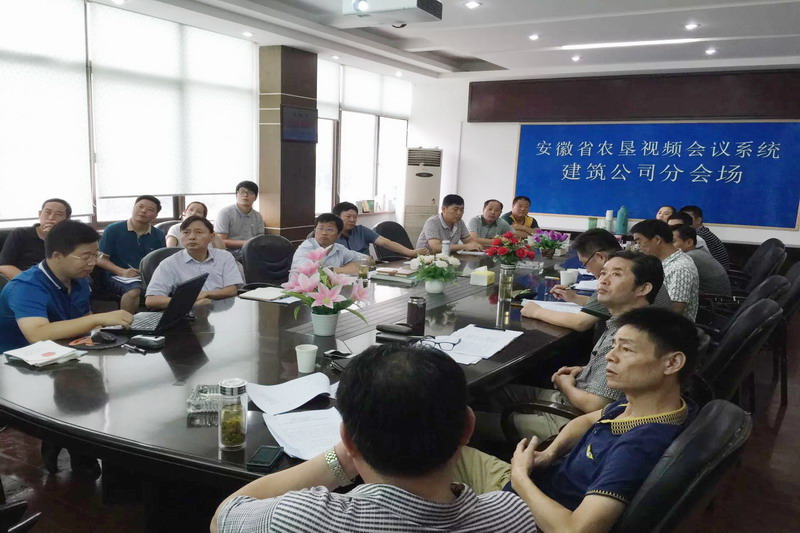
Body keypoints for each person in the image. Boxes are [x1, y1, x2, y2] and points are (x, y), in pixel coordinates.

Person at [211, 343, 536, 533]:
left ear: (348, 440)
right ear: (468, 427)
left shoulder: (303, 519)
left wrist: (344, 455)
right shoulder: (514, 515)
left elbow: (225, 515)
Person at [455, 307, 699, 533]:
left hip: (521, 514)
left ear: (672, 363)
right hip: (536, 487)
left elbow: (575, 530)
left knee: (443, 453)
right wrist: (550, 453)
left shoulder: (636, 447)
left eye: (626, 349)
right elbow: (585, 421)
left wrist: (519, 478)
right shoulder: (649, 405)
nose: (610, 356)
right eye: (613, 346)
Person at [481, 251, 664, 443]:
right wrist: (586, 369)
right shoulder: (625, 321)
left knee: (469, 421)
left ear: (643, 288)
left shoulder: (630, 336)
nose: (603, 280)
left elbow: (597, 405)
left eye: (616, 274)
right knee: (492, 394)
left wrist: (565, 385)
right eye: (603, 273)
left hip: (571, 420)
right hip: (571, 398)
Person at [0, 220, 133, 353]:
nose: (93, 262)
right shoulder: (25, 287)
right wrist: (98, 319)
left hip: (66, 351)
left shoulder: (79, 279)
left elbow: (85, 320)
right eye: (86, 257)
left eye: (96, 255)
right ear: (57, 256)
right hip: (21, 360)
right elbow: (37, 334)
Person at [521, 228, 671, 331]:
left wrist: (536, 311)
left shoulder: (623, 280)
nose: (587, 270)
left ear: (600, 257)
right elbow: (610, 305)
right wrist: (575, 298)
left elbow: (580, 323)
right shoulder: (636, 267)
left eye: (585, 263)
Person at [145, 216, 243, 310]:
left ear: (212, 237)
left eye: (199, 232)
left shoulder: (224, 256)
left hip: (223, 311)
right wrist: (191, 303)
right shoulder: (169, 263)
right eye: (186, 232)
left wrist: (206, 294)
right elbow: (152, 300)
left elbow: (232, 290)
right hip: (188, 314)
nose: (191, 237)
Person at [96, 195, 167, 314]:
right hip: (116, 275)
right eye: (140, 206)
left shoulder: (158, 235)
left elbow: (161, 262)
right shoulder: (113, 230)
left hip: (146, 276)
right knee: (134, 290)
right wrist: (122, 272)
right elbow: (100, 260)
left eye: (150, 209)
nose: (143, 211)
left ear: (155, 215)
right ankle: (125, 323)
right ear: (133, 208)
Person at [631, 219, 699, 321]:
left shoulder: (679, 268)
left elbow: (673, 311)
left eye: (639, 241)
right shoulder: (662, 261)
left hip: (667, 326)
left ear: (657, 239)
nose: (638, 247)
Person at [0, 198, 72, 280]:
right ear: (40, 214)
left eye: (58, 214)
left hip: (56, 282)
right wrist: (30, 282)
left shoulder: (70, 240)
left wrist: (52, 238)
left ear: (67, 219)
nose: (51, 217)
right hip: (24, 280)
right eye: (47, 212)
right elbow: (4, 265)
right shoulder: (20, 234)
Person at [332, 201, 427, 257]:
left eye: (355, 217)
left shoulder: (361, 231)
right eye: (348, 216)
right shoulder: (330, 235)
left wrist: (411, 252)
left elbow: (386, 243)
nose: (352, 220)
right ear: (337, 217)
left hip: (365, 270)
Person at [292, 213, 367, 275]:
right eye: (320, 228)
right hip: (302, 288)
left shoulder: (339, 249)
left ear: (339, 234)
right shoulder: (306, 247)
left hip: (331, 287)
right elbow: (309, 271)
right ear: (315, 230)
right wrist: (342, 270)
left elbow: (366, 260)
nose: (324, 233)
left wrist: (354, 265)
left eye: (329, 230)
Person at [673, 225, 732, 296]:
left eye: (672, 242)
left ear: (689, 242)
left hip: (711, 301)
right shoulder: (699, 251)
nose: (668, 246)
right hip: (715, 299)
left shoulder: (690, 257)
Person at [415, 194, 483, 253]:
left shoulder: (459, 222)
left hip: (448, 258)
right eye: (455, 209)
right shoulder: (432, 222)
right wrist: (464, 246)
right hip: (427, 259)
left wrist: (476, 246)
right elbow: (436, 248)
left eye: (462, 210)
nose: (459, 213)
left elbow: (468, 240)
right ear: (444, 209)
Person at [214, 181, 265, 258]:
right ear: (236, 195)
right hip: (230, 255)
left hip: (252, 253)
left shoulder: (258, 216)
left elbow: (260, 239)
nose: (245, 195)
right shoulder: (225, 213)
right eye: (242, 192)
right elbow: (220, 241)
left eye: (250, 192)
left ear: (255, 197)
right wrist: (248, 243)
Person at [679, 205, 730, 270]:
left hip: (716, 272)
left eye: (688, 219)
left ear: (698, 220)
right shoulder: (703, 231)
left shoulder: (699, 236)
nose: (684, 222)